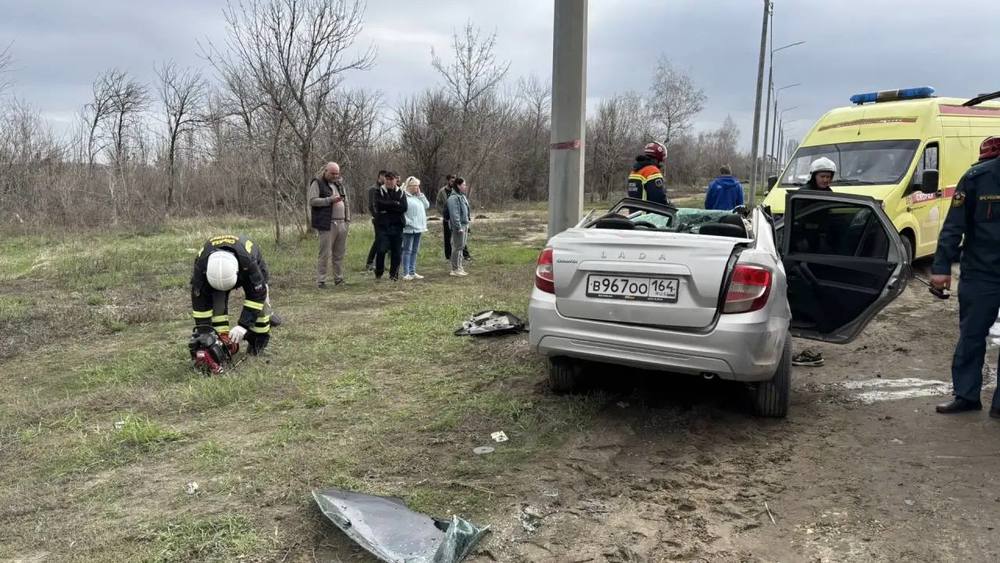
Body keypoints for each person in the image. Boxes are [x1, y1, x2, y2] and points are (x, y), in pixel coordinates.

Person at [931, 136, 1000, 416]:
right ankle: (967, 395)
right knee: (971, 336)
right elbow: (953, 226)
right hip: (981, 274)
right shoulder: (977, 178)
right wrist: (940, 268)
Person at [790, 157, 839, 367]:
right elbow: (796, 220)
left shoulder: (830, 196)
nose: (826, 180)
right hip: (801, 248)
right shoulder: (803, 195)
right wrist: (801, 241)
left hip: (820, 248)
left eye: (828, 177)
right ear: (814, 176)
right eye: (822, 176)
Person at [190, 234, 271, 356]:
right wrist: (205, 333)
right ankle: (222, 342)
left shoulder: (249, 263)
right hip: (214, 272)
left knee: (262, 305)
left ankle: (257, 341)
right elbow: (200, 303)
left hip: (249, 262)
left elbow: (257, 295)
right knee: (217, 304)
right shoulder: (201, 267)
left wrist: (243, 325)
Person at [308, 162, 350, 289]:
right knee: (325, 253)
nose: (335, 176)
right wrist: (329, 200)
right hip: (327, 223)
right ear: (325, 171)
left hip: (342, 223)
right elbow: (313, 201)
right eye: (332, 173)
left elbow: (346, 202)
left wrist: (348, 220)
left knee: (339, 253)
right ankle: (321, 281)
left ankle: (338, 278)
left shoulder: (339, 184)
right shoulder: (317, 183)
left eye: (337, 173)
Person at [373, 171, 408, 280]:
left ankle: (394, 275)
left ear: (396, 180)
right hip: (383, 226)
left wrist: (388, 206)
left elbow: (404, 207)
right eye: (387, 179)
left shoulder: (401, 193)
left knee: (396, 251)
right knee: (381, 250)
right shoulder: (379, 191)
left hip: (397, 226)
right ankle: (379, 272)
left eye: (391, 179)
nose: (389, 181)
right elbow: (379, 204)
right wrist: (394, 204)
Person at [437, 174, 472, 262]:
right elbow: (439, 204)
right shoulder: (443, 192)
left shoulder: (461, 194)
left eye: (454, 180)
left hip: (460, 221)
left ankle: (465, 256)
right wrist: (445, 214)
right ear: (448, 180)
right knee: (449, 238)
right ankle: (450, 257)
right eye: (451, 180)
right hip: (448, 219)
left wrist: (467, 218)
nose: (453, 182)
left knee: (461, 242)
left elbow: (465, 207)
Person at [402, 176, 430, 280]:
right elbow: (401, 211)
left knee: (414, 250)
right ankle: (406, 273)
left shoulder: (417, 196)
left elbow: (427, 205)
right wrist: (408, 221)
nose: (418, 188)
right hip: (409, 228)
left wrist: (420, 195)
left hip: (419, 227)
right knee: (407, 250)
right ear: (410, 186)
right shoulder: (404, 196)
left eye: (418, 186)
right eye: (416, 186)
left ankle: (412, 271)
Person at [447, 177, 471, 277]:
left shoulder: (461, 196)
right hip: (459, 226)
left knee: (461, 247)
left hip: (465, 224)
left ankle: (459, 267)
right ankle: (454, 269)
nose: (465, 186)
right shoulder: (453, 198)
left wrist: (467, 224)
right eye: (464, 185)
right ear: (458, 185)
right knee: (457, 247)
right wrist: (458, 226)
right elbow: (454, 214)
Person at [366, 170, 387, 272]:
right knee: (378, 241)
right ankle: (370, 262)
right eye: (384, 176)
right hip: (378, 219)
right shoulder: (373, 189)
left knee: (384, 241)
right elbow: (371, 206)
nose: (386, 179)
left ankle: (380, 263)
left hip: (386, 219)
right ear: (380, 176)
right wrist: (377, 216)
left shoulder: (385, 189)